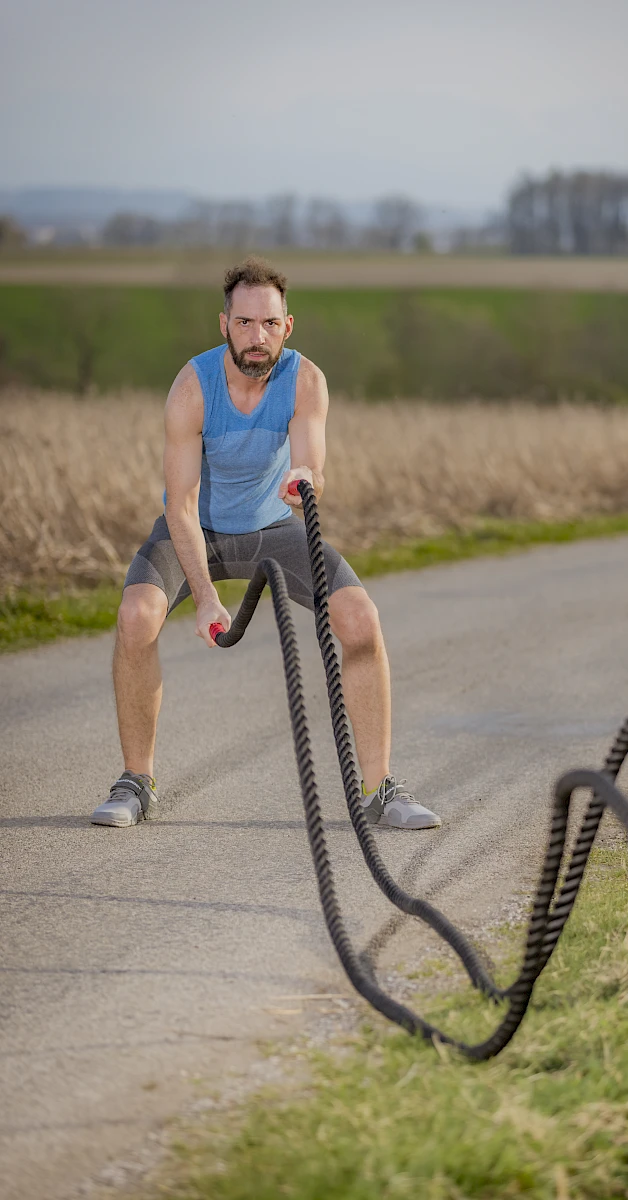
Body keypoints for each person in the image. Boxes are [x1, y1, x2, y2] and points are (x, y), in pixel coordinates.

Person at [90, 257, 441, 832]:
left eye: (270, 324)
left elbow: (310, 461)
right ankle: (136, 781)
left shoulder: (306, 381)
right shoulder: (191, 387)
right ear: (224, 323)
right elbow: (178, 505)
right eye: (246, 323)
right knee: (136, 616)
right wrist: (204, 597)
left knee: (359, 619)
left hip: (274, 528)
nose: (258, 338)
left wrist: (306, 482)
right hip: (195, 530)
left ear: (288, 326)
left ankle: (380, 790)